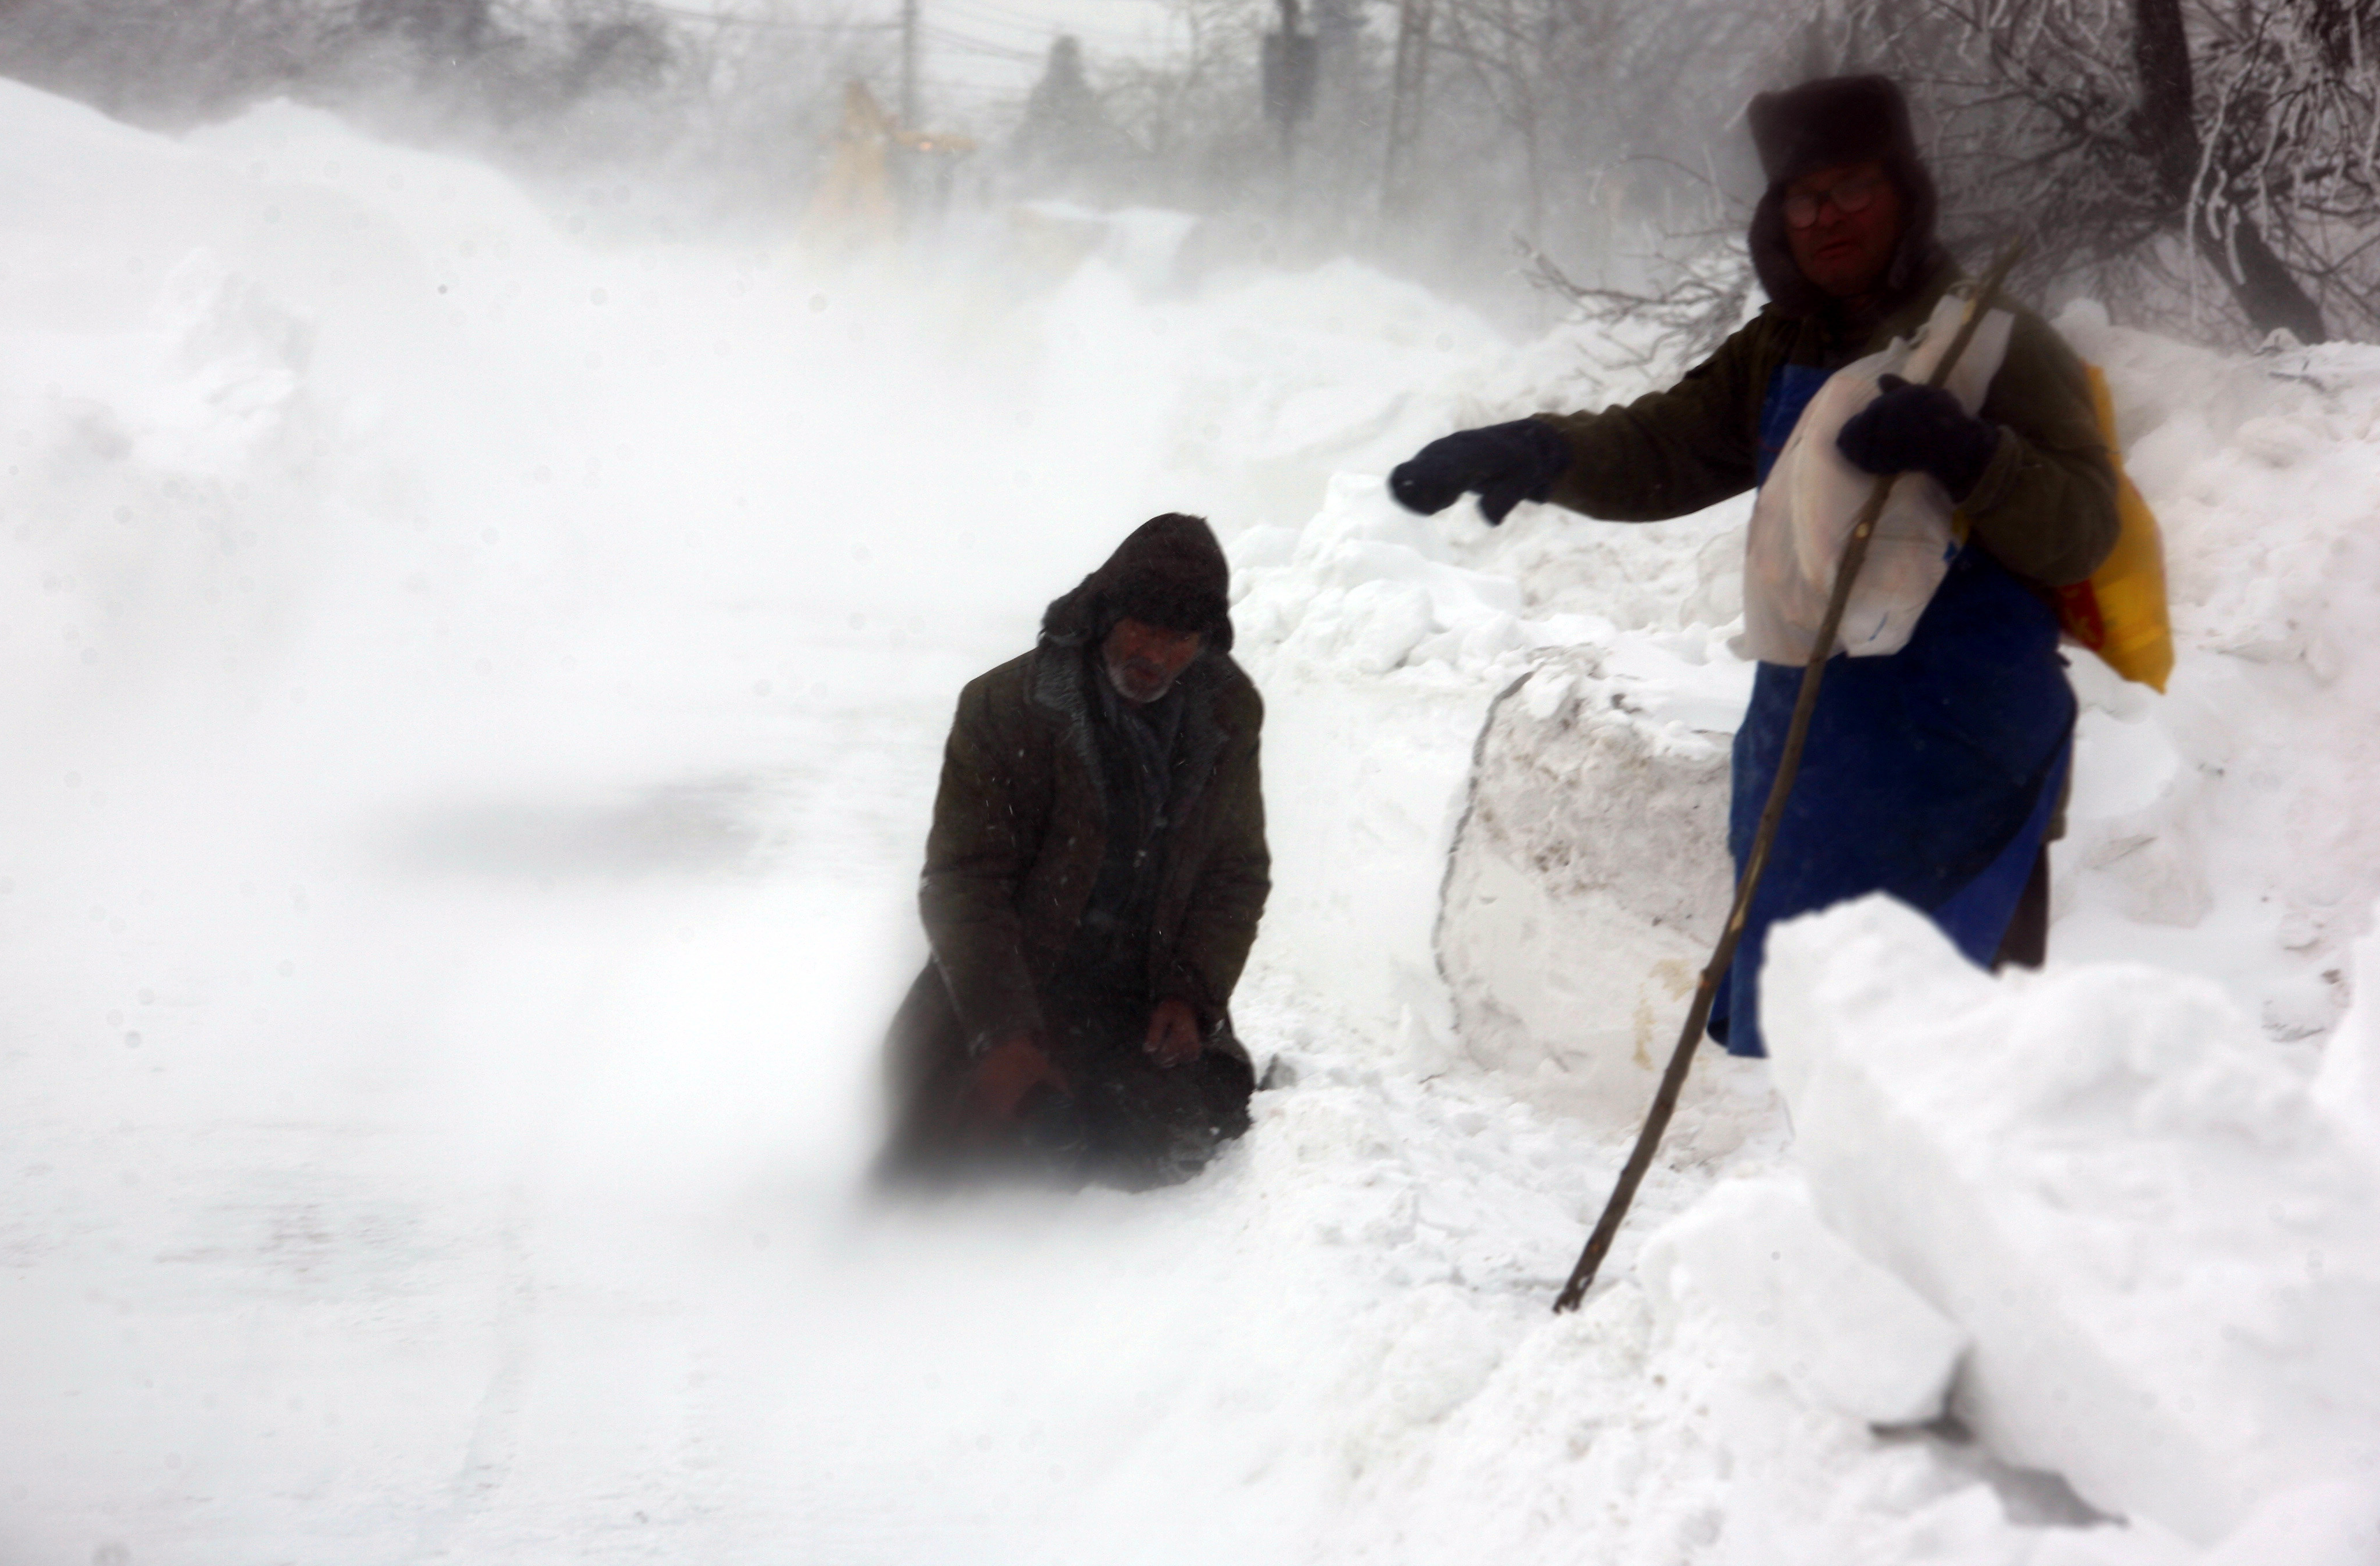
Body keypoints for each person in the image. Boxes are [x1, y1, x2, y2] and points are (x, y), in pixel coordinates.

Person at [1386, 74, 2119, 1056]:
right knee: (1818, 1066)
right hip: (1810, 766)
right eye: (1801, 197)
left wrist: (1968, 454)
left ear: (1901, 189)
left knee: (1953, 1076)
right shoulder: (1778, 347)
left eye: (1851, 186)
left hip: (1961, 766)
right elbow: (1662, 447)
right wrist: (1540, 450)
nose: (1825, 217)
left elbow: (2082, 528)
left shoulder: (1990, 340)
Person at [878, 513, 1269, 1189]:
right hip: (1013, 988)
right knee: (950, 1169)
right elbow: (963, 881)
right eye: (1141, 626)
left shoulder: (1227, 714)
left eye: (1179, 637)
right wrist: (1002, 1036)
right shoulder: (1006, 707)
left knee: (1172, 1147)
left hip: (1135, 997)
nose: (1156, 653)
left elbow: (1236, 870)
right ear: (1102, 616)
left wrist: (1191, 993)